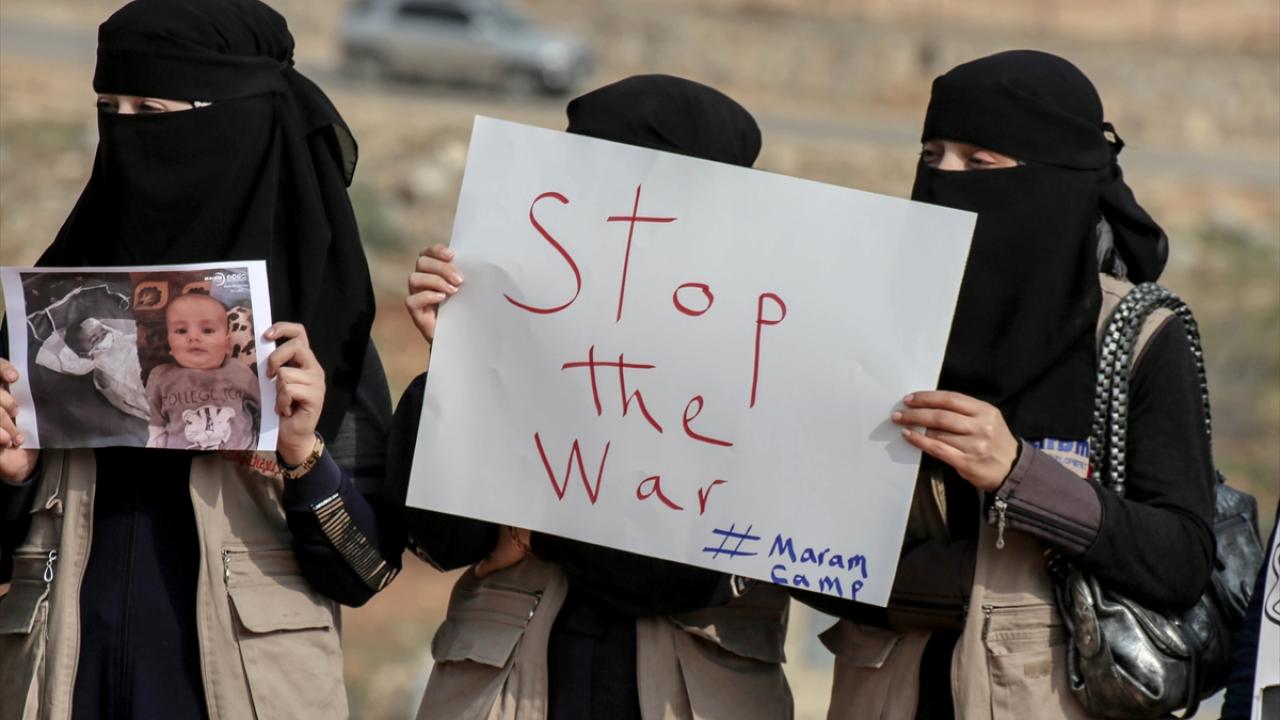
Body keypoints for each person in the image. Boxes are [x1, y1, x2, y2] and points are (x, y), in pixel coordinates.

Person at [0, 1, 400, 717]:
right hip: (64, 691)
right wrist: (12, 477)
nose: (124, 133)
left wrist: (302, 457)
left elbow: (368, 570)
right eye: (108, 109)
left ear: (231, 123)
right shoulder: (59, 304)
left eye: (151, 112)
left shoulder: (316, 329)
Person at [805, 50, 1217, 720]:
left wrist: (1019, 476)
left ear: (1053, 179)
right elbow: (803, 551)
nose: (944, 178)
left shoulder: (1136, 336)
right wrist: (926, 587)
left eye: (980, 162)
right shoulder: (879, 324)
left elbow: (1181, 561)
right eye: (931, 155)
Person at [390, 75, 794, 720]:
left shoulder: (765, 349)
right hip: (508, 685)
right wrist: (460, 363)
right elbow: (441, 535)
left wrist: (533, 531)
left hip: (689, 693)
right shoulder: (527, 307)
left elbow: (675, 574)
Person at [146, 292, 261, 450]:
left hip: (241, 458)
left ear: (227, 344)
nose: (193, 337)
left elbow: (265, 410)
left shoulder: (238, 371)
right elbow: (154, 425)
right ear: (169, 343)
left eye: (207, 330)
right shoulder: (161, 376)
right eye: (181, 331)